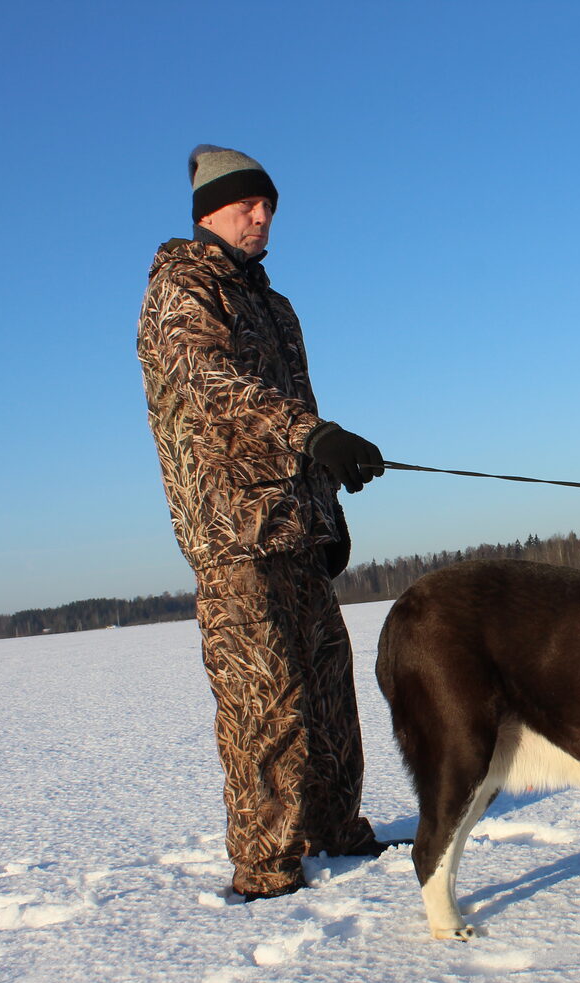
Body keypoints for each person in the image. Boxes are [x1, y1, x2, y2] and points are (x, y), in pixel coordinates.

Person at [137, 144, 390, 900]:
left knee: (327, 689)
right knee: (265, 700)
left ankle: (336, 831)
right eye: (249, 203)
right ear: (209, 211)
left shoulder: (275, 308)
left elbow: (298, 411)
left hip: (294, 526)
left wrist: (327, 507)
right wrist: (316, 436)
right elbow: (217, 391)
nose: (262, 215)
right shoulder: (183, 289)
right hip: (233, 536)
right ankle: (266, 868)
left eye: (269, 204)